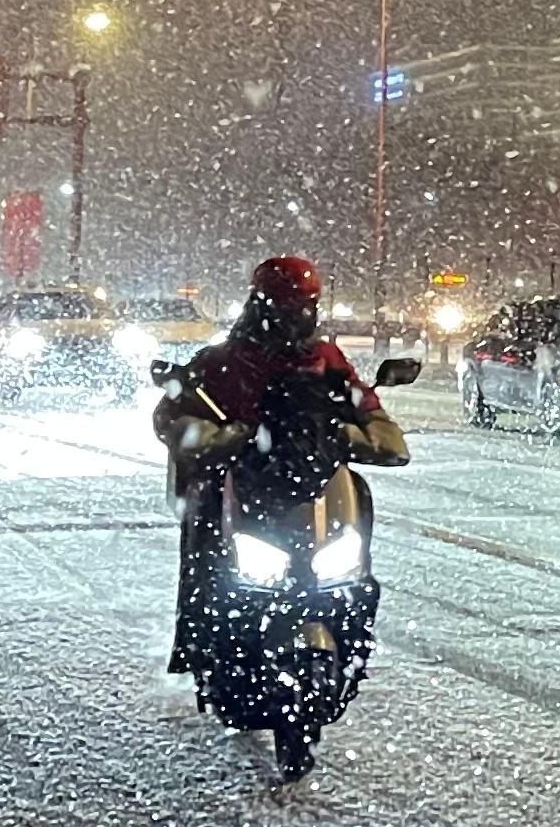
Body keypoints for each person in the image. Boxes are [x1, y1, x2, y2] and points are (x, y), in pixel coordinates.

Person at [156, 255, 408, 672]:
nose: (297, 316)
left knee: (358, 499)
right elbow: (173, 418)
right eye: (288, 306)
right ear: (261, 305)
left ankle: (352, 631)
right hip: (246, 485)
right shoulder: (224, 362)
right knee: (204, 521)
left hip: (313, 486)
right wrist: (228, 437)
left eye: (305, 306)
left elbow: (369, 413)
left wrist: (355, 434)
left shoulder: (325, 360)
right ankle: (198, 641)